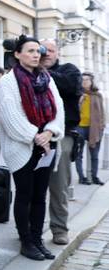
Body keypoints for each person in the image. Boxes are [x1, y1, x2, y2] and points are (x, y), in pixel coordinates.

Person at [0, 36, 64, 260]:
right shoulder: (9, 80)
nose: (36, 55)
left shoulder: (46, 77)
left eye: (38, 51)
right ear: (17, 54)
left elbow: (59, 109)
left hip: (46, 145)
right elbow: (10, 116)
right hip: (23, 146)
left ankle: (37, 238)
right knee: (25, 195)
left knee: (40, 196)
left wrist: (49, 132)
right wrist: (36, 136)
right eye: (30, 51)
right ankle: (25, 241)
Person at [40, 39, 81, 245]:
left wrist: (41, 72)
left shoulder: (69, 70)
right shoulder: (29, 74)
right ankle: (31, 230)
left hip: (62, 135)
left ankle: (59, 229)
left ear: (57, 53)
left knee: (58, 186)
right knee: (32, 187)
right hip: (36, 137)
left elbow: (70, 86)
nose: (46, 54)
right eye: (42, 50)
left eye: (50, 50)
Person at [75, 73, 105, 185]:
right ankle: (82, 177)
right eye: (82, 80)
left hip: (95, 128)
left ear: (92, 82)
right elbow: (73, 111)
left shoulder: (97, 95)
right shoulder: (77, 94)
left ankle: (94, 177)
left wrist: (101, 127)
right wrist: (79, 100)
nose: (85, 82)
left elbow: (102, 112)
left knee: (95, 155)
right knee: (78, 154)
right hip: (80, 128)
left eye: (87, 80)